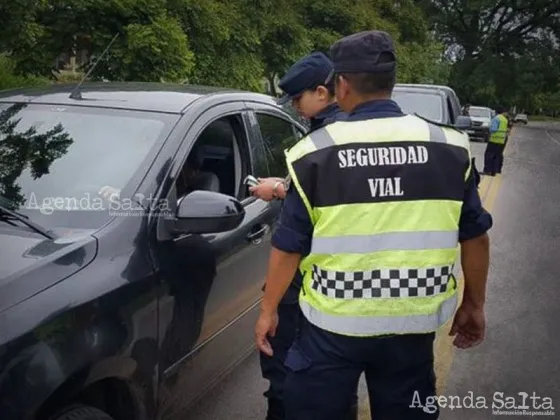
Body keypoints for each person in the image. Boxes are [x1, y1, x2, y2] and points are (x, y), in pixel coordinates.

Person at [255, 30, 493, 420]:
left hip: (331, 326)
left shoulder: (314, 152)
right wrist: (474, 304)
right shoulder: (449, 146)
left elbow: (290, 243)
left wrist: (268, 312)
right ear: (391, 83)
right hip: (412, 327)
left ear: (342, 85)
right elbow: (476, 238)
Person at [250, 52, 357, 420]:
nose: (295, 107)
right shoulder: (345, 129)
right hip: (343, 285)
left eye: (298, 99)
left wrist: (269, 308)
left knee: (286, 377)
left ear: (323, 92)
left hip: (310, 282)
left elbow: (293, 237)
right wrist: (282, 188)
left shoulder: (326, 138)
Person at [483, 105, 509, 176]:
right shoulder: (504, 119)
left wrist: (489, 128)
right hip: (501, 141)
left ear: (496, 111)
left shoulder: (496, 119)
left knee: (489, 155)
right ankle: (494, 171)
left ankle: (488, 170)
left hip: (494, 140)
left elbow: (493, 129)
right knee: (496, 156)